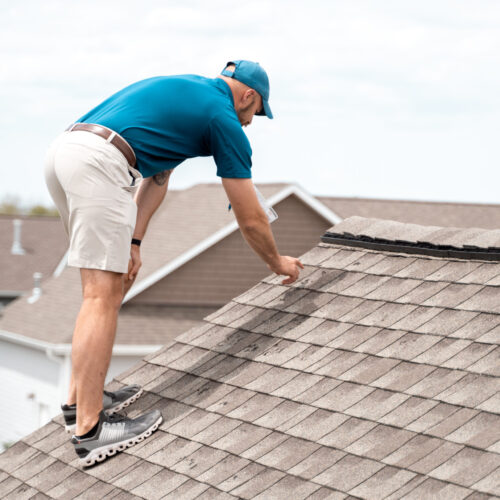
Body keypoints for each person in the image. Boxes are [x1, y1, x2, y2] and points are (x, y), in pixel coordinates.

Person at [44, 60, 304, 467]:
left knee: (106, 287)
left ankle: (81, 402)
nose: (253, 122)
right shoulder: (223, 118)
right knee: (101, 295)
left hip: (67, 155)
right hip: (101, 166)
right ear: (248, 96)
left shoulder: (189, 94)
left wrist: (134, 240)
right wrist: (277, 262)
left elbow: (157, 176)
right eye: (256, 113)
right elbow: (249, 213)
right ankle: (91, 431)